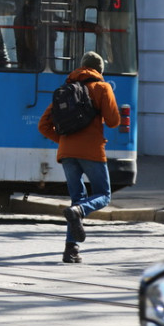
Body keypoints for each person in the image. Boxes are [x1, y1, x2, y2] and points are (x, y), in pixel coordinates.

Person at [38, 51, 120, 264]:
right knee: (103, 194)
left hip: (66, 153)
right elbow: (113, 121)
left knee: (77, 198)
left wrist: (65, 141)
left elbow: (43, 125)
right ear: (100, 70)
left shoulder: (66, 90)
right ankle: (78, 211)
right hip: (92, 150)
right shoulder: (102, 88)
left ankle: (71, 250)